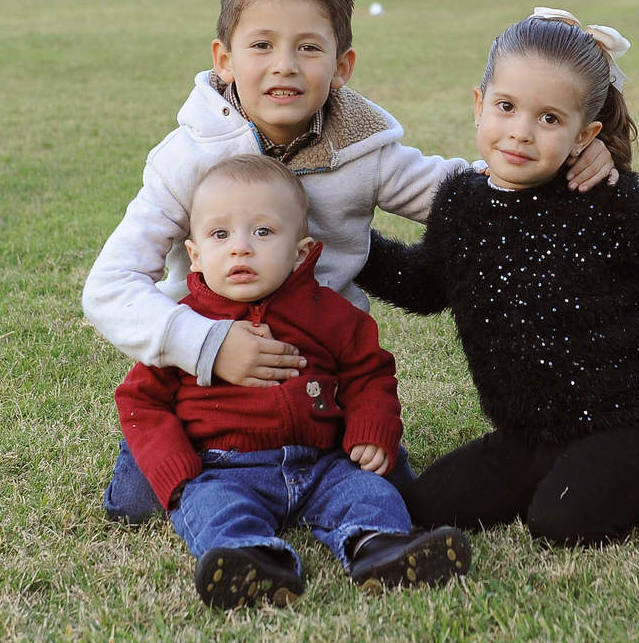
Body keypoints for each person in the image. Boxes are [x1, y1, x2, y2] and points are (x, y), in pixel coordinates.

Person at [83, 0, 614, 523]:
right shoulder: (186, 159)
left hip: (320, 378)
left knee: (391, 493)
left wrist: (572, 162)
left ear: (341, 66)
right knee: (141, 504)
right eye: (261, 45)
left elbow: (469, 195)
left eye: (308, 47)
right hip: (206, 390)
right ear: (224, 60)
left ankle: (321, 478)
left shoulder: (366, 150)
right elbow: (109, 286)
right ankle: (224, 480)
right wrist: (207, 344)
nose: (284, 65)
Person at [357, 9, 639, 547]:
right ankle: (573, 472)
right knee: (425, 508)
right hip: (531, 432)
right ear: (479, 107)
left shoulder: (601, 198)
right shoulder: (459, 203)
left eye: (549, 119)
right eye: (506, 107)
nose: (521, 132)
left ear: (582, 135)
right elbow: (425, 286)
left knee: (559, 521)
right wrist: (349, 246)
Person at [116, 155, 471, 608]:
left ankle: (381, 548)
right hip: (223, 466)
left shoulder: (327, 312)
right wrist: (178, 473)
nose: (240, 248)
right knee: (213, 509)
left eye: (262, 232)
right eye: (220, 235)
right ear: (196, 255)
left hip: (322, 461)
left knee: (369, 493)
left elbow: (369, 373)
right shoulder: (185, 325)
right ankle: (254, 562)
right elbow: (140, 402)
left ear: (302, 252)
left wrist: (371, 430)